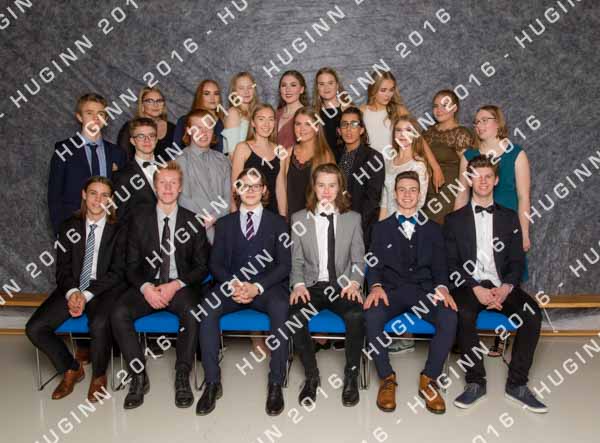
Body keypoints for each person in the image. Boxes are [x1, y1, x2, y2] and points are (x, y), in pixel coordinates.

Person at [444, 155, 546, 413]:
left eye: (488, 176)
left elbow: (517, 261)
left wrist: (506, 288)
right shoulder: (454, 220)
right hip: (469, 285)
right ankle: (475, 382)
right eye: (477, 176)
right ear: (469, 180)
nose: (483, 181)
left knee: (532, 314)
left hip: (502, 284)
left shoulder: (510, 218)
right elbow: (451, 264)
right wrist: (476, 288)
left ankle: (517, 384)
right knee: (463, 313)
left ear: (496, 180)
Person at [110, 161, 210, 410]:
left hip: (179, 286)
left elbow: (202, 267)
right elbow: (130, 265)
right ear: (155, 187)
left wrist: (175, 285)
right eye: (162, 183)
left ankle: (182, 375)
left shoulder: (193, 221)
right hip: (148, 284)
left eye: (173, 183)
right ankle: (138, 375)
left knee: (192, 312)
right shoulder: (138, 220)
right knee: (119, 313)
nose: (167, 187)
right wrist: (146, 288)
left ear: (180, 187)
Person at [196, 168, 291, 416]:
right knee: (207, 308)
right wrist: (234, 285)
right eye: (244, 186)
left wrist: (256, 287)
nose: (250, 191)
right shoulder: (224, 224)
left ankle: (275, 382)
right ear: (237, 190)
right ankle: (212, 382)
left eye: (255, 186)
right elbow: (215, 264)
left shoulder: (278, 223)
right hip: (232, 287)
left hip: (266, 288)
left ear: (264, 190)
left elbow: (284, 265)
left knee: (281, 307)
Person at [364, 170, 457, 414]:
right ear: (395, 194)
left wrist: (442, 288)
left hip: (424, 292)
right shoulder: (380, 228)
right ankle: (387, 378)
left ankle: (429, 379)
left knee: (449, 315)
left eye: (413, 190)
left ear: (420, 195)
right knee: (371, 315)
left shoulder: (434, 229)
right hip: (391, 292)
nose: (407, 194)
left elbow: (440, 266)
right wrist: (375, 286)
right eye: (402, 190)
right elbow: (373, 264)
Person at [27, 177, 127, 402]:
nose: (98, 200)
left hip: (103, 289)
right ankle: (71, 368)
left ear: (111, 200)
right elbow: (62, 269)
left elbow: (118, 272)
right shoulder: (69, 226)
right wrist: (73, 293)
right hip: (73, 286)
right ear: (84, 194)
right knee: (35, 328)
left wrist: (87, 295)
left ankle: (99, 376)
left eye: (104, 195)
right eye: (93, 193)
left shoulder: (120, 229)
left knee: (99, 323)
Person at [455, 105, 532, 356]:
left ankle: (502, 335)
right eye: (476, 122)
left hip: (508, 227)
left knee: (506, 280)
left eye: (485, 120)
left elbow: (524, 197)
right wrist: (453, 228)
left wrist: (524, 231)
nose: (479, 125)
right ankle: (464, 338)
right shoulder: (469, 155)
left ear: (498, 122)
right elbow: (461, 194)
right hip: (476, 227)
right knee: (473, 278)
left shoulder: (516, 154)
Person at [288, 163, 366, 407]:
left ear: (340, 187)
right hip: (312, 285)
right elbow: (296, 260)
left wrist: (354, 283)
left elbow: (358, 259)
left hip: (342, 285)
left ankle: (351, 376)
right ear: (314, 187)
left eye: (332, 185)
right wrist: (298, 285)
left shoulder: (353, 219)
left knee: (356, 315)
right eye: (321, 185)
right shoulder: (299, 218)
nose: (327, 191)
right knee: (295, 316)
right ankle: (312, 376)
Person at [48, 93, 126, 235]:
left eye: (100, 114)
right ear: (79, 117)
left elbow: (123, 194)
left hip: (108, 230)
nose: (96, 118)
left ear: (106, 118)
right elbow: (54, 196)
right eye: (89, 113)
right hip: (73, 229)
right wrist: (61, 233)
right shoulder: (64, 150)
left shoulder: (117, 153)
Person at [360, 71, 444, 191]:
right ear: (373, 89)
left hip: (394, 169)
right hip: (370, 170)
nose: (388, 95)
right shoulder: (363, 111)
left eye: (391, 90)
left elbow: (418, 137)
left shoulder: (398, 110)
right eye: (383, 90)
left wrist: (435, 167)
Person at [176, 109, 232, 243]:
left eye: (208, 127)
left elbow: (228, 196)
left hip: (222, 228)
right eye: (198, 128)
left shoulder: (223, 160)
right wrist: (204, 221)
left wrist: (213, 218)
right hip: (193, 229)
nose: (204, 133)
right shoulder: (179, 161)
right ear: (189, 130)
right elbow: (183, 199)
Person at [422, 90, 474, 224]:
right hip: (424, 193)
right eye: (436, 106)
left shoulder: (461, 134)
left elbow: (467, 171)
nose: (439, 110)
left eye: (444, 105)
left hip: (447, 194)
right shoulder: (427, 133)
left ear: (455, 108)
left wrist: (460, 203)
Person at [335, 106, 384, 247]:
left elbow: (372, 200)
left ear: (361, 129)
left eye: (354, 124)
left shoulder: (373, 158)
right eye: (344, 124)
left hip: (360, 228)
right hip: (334, 223)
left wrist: (354, 226)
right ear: (339, 130)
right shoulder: (334, 155)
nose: (348, 129)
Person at [230, 104, 286, 215]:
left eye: (271, 119)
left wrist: (283, 217)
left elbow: (280, 188)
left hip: (272, 213)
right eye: (261, 119)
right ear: (253, 123)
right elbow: (235, 187)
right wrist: (234, 215)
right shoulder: (243, 148)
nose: (266, 124)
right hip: (247, 212)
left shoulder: (280, 151)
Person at [283, 107, 336, 218]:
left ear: (317, 127)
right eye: (298, 124)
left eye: (308, 124)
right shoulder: (287, 153)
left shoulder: (325, 156)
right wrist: (283, 215)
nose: (302, 129)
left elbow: (331, 192)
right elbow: (282, 188)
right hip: (291, 217)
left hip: (316, 218)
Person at [111, 117, 160, 226]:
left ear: (156, 139)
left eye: (151, 135)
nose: (147, 140)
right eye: (141, 136)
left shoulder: (168, 168)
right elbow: (119, 217)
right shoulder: (122, 176)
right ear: (132, 141)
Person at [379, 115, 429, 219]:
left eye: (408, 130)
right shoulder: (389, 161)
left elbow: (420, 202)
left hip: (407, 221)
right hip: (388, 220)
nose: (402, 134)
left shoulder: (418, 164)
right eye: (398, 130)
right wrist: (381, 224)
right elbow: (384, 200)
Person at [117, 86, 175, 162]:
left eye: (159, 101)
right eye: (150, 101)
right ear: (142, 105)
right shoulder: (129, 127)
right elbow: (123, 157)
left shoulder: (173, 128)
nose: (155, 105)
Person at [173, 79, 225, 152]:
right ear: (200, 96)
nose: (212, 98)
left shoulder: (224, 122)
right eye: (207, 93)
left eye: (216, 93)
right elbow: (175, 151)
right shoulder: (184, 121)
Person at [313, 67, 353, 152]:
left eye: (330, 83)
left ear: (337, 85)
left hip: (346, 158)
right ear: (317, 87)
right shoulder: (313, 113)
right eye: (321, 84)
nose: (326, 87)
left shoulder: (349, 110)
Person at [221, 72, 259, 155]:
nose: (246, 91)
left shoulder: (256, 113)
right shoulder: (233, 113)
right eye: (241, 88)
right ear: (234, 92)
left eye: (249, 87)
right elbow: (232, 153)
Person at [276, 70, 309, 152]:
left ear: (301, 89)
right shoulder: (275, 114)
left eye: (293, 85)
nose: (288, 89)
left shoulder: (308, 115)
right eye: (284, 85)